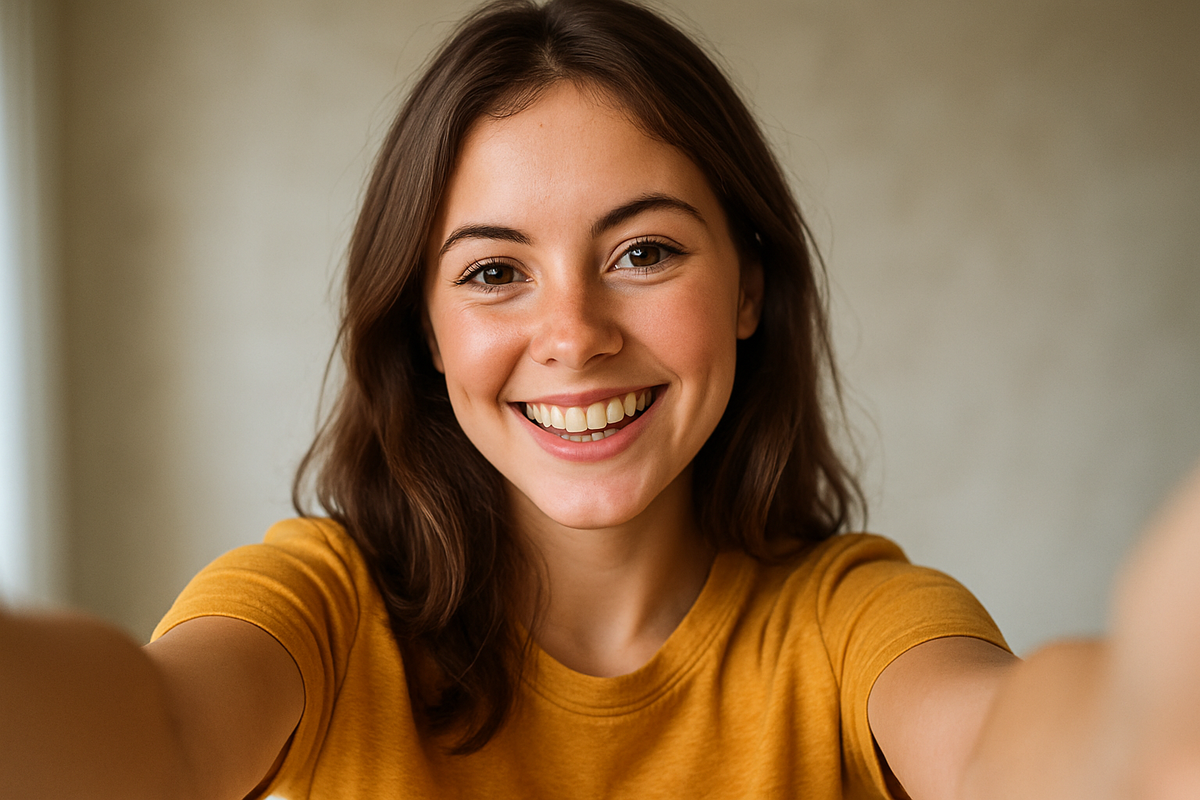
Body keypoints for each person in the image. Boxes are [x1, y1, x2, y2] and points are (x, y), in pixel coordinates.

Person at [2, 1, 1198, 798]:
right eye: (493, 272)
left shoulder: (847, 623)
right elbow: (152, 733)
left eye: (645, 253)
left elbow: (1009, 744)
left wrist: (1151, 689)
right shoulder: (321, 604)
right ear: (424, 330)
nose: (573, 335)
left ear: (748, 288)